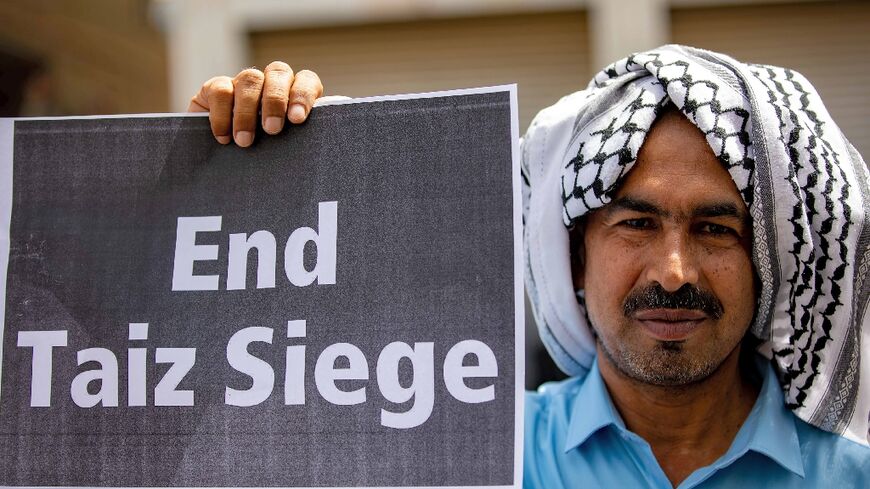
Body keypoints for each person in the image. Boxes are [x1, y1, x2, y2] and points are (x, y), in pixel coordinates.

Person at [189, 45, 869, 487]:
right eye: (635, 222)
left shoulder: (850, 468)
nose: (673, 270)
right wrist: (257, 182)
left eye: (715, 229)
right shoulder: (481, 455)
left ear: (769, 261)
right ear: (574, 256)